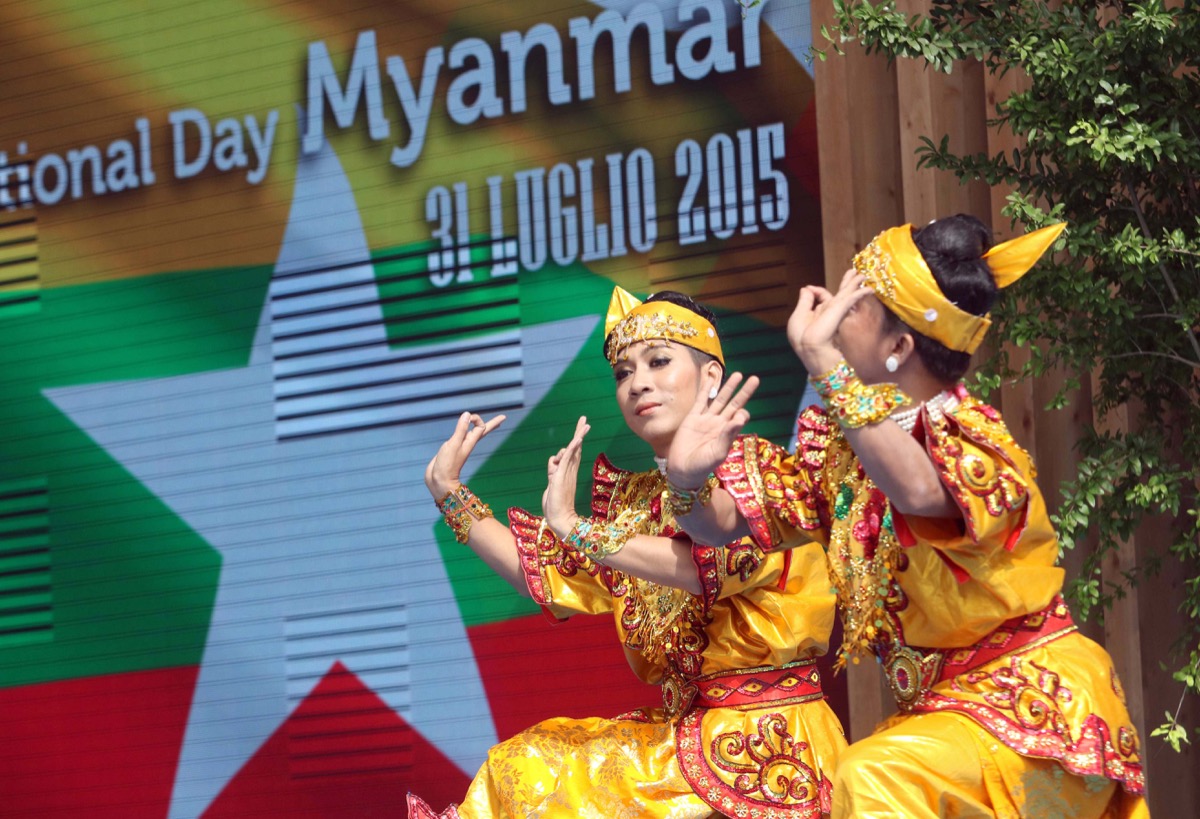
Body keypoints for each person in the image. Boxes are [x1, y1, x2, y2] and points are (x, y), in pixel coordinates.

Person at [664, 215, 1149, 817]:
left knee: (871, 777)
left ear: (898, 347)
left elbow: (919, 491)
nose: (835, 311)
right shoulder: (842, 459)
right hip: (951, 723)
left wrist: (825, 367)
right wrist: (684, 478)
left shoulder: (971, 440)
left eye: (856, 302)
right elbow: (721, 524)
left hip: (1032, 706)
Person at [407, 288, 846, 819]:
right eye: (623, 372)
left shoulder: (755, 473)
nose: (639, 382)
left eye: (659, 362)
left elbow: (708, 564)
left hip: (768, 743)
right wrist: (451, 494)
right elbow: (543, 574)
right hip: (685, 742)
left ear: (710, 378)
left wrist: (576, 528)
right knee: (522, 768)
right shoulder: (635, 505)